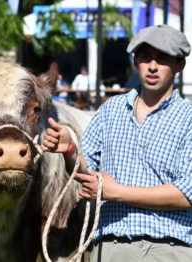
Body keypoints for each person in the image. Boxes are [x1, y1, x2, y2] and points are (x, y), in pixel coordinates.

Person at [41, 24, 192, 262]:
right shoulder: (110, 110)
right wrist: (69, 149)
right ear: (135, 62)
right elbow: (86, 171)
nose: (152, 66)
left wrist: (117, 193)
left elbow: (187, 194)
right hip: (111, 247)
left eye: (162, 59)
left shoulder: (189, 118)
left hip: (170, 248)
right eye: (145, 57)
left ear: (179, 65)